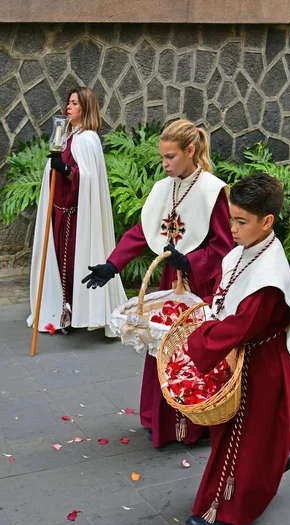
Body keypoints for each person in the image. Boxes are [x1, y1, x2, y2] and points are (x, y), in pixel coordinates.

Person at [82, 119, 233, 447]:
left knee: (193, 354)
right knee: (164, 349)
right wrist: (112, 265)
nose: (164, 164)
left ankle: (196, 423)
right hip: (171, 280)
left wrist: (190, 261)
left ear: (190, 151)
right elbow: (144, 230)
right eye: (162, 157)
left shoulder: (212, 191)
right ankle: (160, 419)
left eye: (170, 157)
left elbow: (224, 247)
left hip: (201, 285)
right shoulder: (165, 187)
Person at [185, 172, 290, 525]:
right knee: (248, 432)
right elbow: (225, 296)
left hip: (259, 363)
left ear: (267, 221)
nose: (231, 228)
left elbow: (242, 325)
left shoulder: (269, 274)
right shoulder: (246, 250)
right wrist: (202, 311)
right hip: (245, 355)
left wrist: (196, 340)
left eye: (241, 221)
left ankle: (227, 508)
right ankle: (273, 458)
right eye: (231, 218)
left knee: (242, 436)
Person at [28, 87, 126, 336]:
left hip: (75, 215)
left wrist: (64, 170)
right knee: (61, 262)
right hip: (58, 210)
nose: (68, 107)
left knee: (71, 264)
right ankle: (64, 309)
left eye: (74, 103)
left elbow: (86, 177)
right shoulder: (67, 134)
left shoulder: (87, 139)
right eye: (68, 102)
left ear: (85, 108)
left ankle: (73, 310)